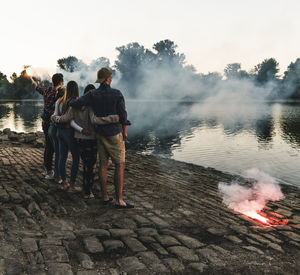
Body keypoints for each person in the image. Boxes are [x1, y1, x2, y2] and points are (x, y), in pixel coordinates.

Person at [70, 68, 134, 208]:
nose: (111, 79)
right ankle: (119, 200)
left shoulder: (92, 94)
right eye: (110, 77)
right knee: (119, 164)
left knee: (103, 164)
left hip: (99, 134)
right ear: (107, 79)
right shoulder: (117, 94)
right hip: (114, 134)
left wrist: (69, 98)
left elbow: (75, 103)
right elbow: (123, 116)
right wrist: (122, 126)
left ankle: (105, 197)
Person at [52, 84, 119, 199]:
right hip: (91, 138)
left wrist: (54, 118)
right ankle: (87, 191)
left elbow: (67, 118)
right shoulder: (90, 106)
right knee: (90, 165)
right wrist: (112, 119)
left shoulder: (74, 105)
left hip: (78, 138)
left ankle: (74, 185)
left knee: (83, 163)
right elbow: (94, 120)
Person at [32, 73, 64, 180]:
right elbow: (52, 110)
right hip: (52, 124)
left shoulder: (47, 90)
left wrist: (35, 85)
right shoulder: (57, 93)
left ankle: (48, 169)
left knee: (48, 147)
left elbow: (39, 89)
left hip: (45, 123)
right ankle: (50, 172)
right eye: (62, 81)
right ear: (60, 82)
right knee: (52, 148)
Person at [54, 81, 81, 192]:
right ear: (76, 90)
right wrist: (82, 130)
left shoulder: (59, 101)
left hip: (59, 132)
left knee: (62, 157)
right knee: (76, 158)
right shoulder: (74, 102)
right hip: (70, 133)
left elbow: (54, 115)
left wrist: (55, 119)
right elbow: (71, 119)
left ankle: (64, 183)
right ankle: (72, 185)